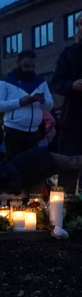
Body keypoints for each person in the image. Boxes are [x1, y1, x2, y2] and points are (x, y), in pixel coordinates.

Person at [0, 50, 53, 159]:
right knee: (15, 165)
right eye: (26, 66)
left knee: (32, 167)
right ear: (18, 63)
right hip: (13, 131)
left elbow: (49, 106)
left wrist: (43, 101)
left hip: (34, 131)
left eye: (32, 66)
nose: (30, 69)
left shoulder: (41, 82)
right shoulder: (5, 82)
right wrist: (19, 102)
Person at [52, 13, 82, 194]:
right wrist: (72, 85)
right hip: (72, 119)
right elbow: (56, 83)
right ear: (78, 26)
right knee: (67, 167)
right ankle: (66, 211)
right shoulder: (69, 54)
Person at [0, 147, 82, 201]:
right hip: (37, 173)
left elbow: (15, 176)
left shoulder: (3, 171)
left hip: (42, 159)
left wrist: (13, 194)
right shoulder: (4, 176)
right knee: (35, 198)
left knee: (71, 162)